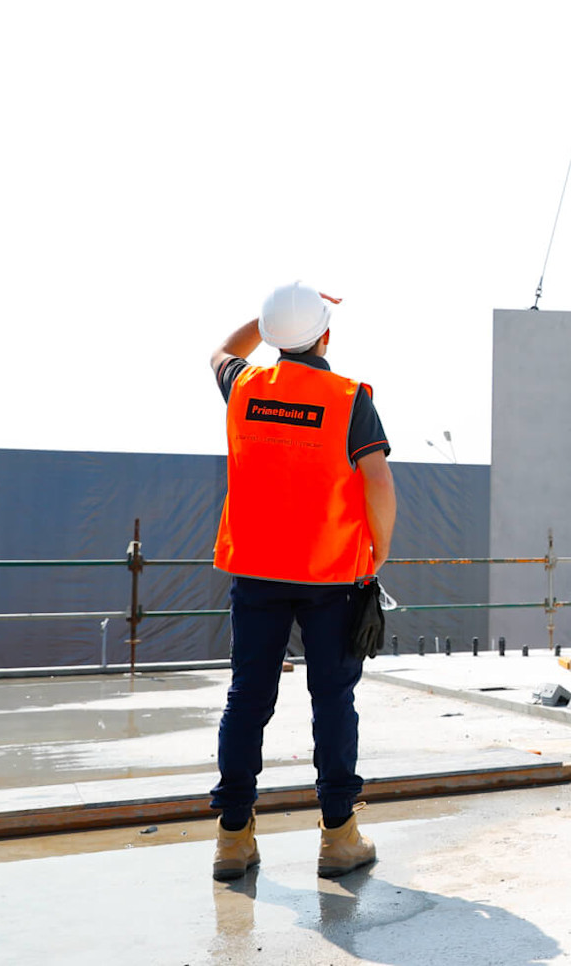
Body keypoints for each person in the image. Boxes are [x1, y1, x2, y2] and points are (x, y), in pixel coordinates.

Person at [206, 281, 397, 881]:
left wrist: (265, 322)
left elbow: (219, 350)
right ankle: (339, 838)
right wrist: (377, 556)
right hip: (331, 575)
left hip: (257, 571)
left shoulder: (244, 386)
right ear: (326, 334)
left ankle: (232, 841)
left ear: (271, 339)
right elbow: (379, 484)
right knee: (333, 699)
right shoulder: (348, 398)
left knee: (247, 698)